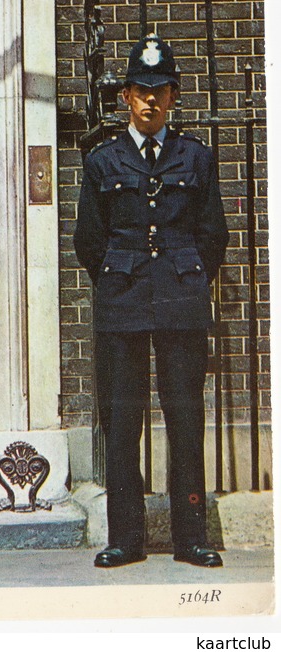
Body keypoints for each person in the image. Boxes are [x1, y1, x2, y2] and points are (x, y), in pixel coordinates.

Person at [74, 34, 229, 569]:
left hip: (181, 302)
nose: (150, 101)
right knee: (122, 421)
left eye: (160, 92)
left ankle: (191, 538)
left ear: (174, 96)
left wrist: (183, 278)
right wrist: (122, 277)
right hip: (122, 304)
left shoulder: (197, 158)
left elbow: (214, 236)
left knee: (184, 417)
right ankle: (126, 539)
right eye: (140, 91)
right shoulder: (103, 162)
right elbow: (88, 242)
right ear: (125, 98)